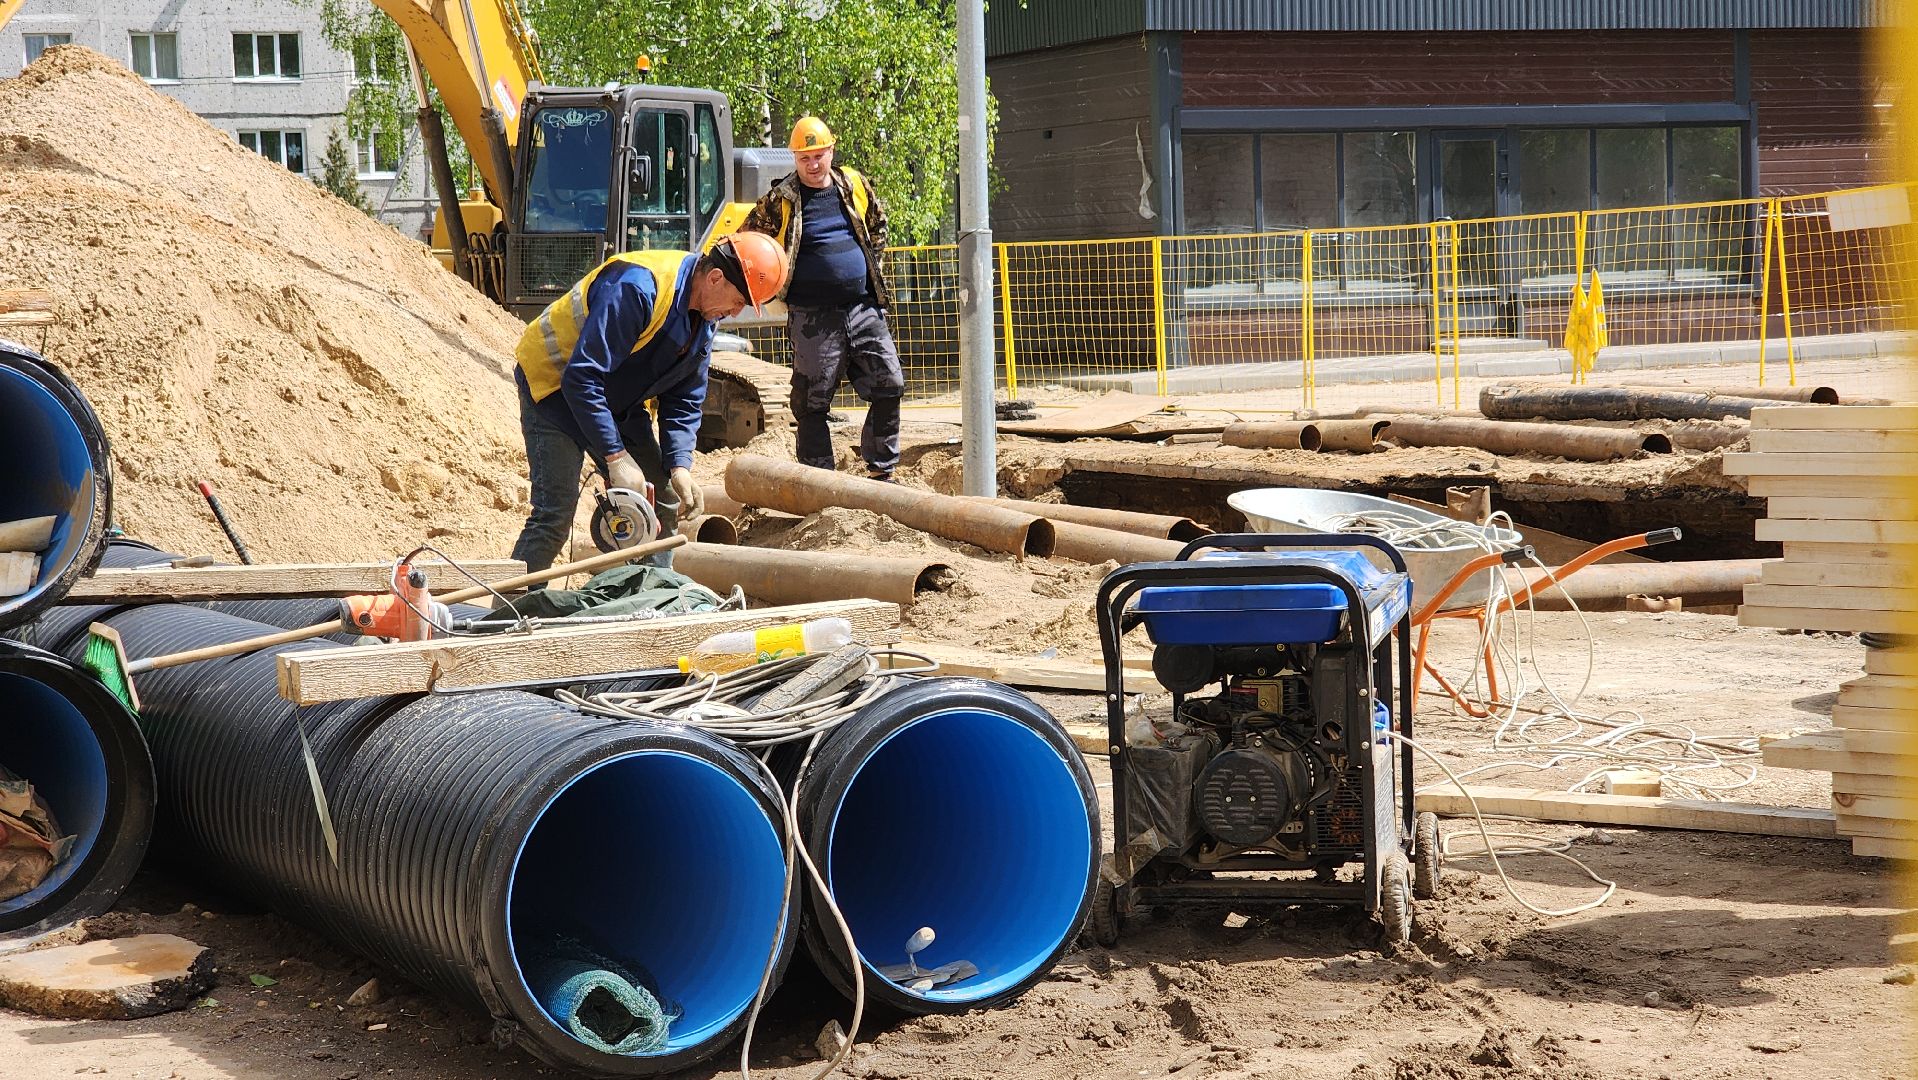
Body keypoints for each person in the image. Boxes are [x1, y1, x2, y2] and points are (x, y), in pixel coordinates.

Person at [509, 231, 789, 574]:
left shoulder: (703, 318)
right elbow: (581, 377)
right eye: (739, 301)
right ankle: (506, 613)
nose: (736, 312)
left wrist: (679, 466)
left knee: (663, 499)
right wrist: (616, 457)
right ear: (716, 277)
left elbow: (684, 398)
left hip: (614, 398)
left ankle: (653, 599)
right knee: (554, 515)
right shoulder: (639, 288)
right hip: (553, 391)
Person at [741, 115, 904, 481]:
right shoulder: (780, 200)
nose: (813, 165)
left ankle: (881, 470)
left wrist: (869, 269)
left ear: (831, 150)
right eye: (804, 158)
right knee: (812, 404)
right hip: (812, 317)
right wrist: (769, 288)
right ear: (795, 158)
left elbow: (878, 225)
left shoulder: (854, 185)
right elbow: (747, 244)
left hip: (863, 308)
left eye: (819, 155)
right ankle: (820, 480)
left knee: (889, 384)